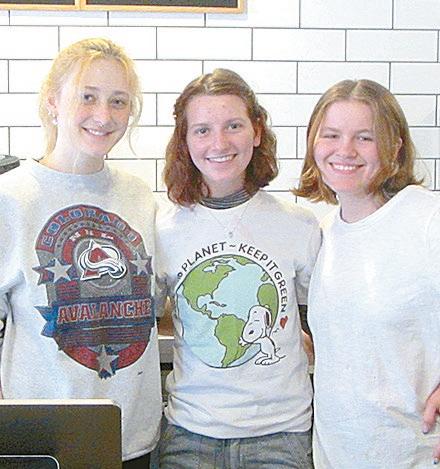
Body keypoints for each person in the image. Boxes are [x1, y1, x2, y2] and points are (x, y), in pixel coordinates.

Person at [0, 38, 162, 467]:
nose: (103, 115)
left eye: (118, 101)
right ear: (53, 101)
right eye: (87, 97)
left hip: (132, 438)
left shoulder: (139, 196)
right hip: (43, 443)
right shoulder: (10, 198)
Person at [155, 68, 321, 468]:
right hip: (189, 435)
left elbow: (330, 325)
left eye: (233, 125)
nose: (219, 143)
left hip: (281, 436)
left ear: (257, 131)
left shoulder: (298, 225)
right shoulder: (162, 229)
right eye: (202, 130)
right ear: (185, 141)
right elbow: (143, 321)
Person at [295, 78, 440, 468]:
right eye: (331, 135)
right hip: (336, 456)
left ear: (394, 146)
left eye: (364, 138)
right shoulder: (326, 233)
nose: (345, 150)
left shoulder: (427, 219)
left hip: (414, 456)